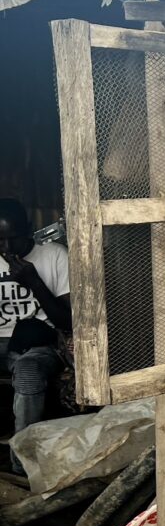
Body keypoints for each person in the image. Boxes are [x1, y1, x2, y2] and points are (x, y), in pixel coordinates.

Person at [0, 198, 71, 466]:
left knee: (28, 372)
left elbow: (68, 321)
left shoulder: (54, 256)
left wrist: (34, 282)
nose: (6, 248)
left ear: (29, 229)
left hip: (39, 346)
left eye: (12, 239)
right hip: (3, 343)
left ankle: (21, 465)